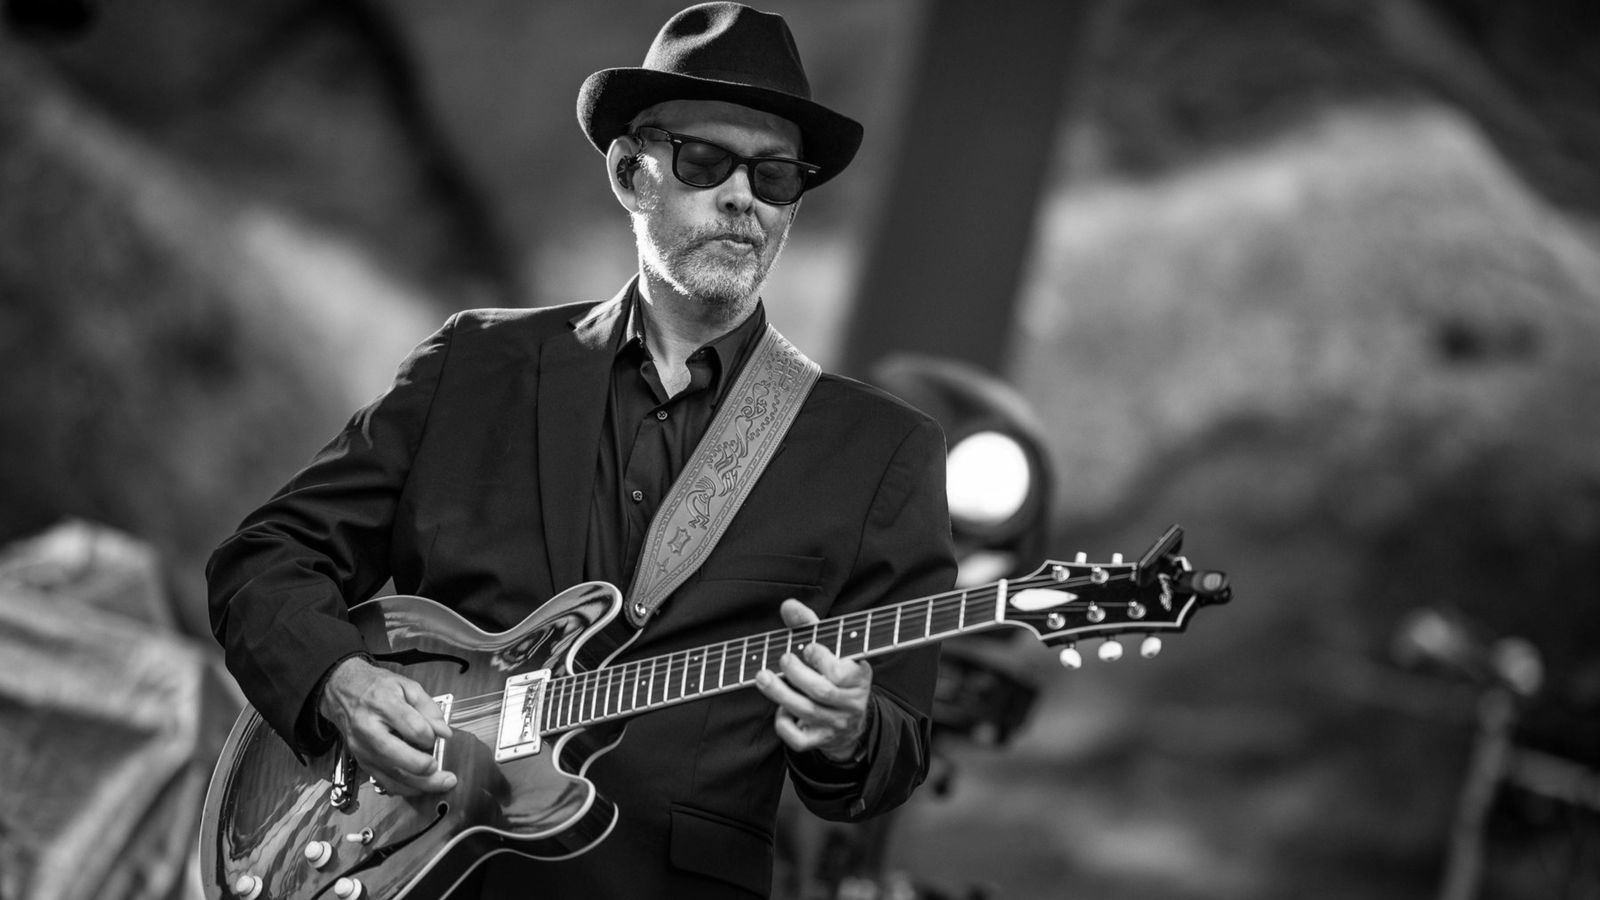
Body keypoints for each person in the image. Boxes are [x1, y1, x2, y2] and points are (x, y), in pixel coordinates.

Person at [206, 4, 956, 898]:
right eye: (705, 161)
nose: (742, 198)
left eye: (775, 175)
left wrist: (852, 729)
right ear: (631, 173)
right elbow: (265, 560)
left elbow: (894, 749)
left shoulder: (881, 451)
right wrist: (339, 679)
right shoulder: (475, 366)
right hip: (415, 872)